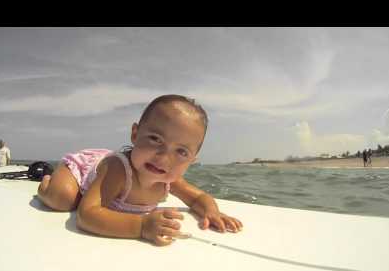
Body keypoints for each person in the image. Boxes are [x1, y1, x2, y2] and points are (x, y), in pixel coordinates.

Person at [37, 94, 243, 246]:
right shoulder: (119, 170)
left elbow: (198, 198)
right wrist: (141, 226)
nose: (163, 158)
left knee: (83, 200)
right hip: (82, 170)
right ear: (135, 134)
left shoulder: (168, 179)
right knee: (62, 199)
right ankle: (47, 180)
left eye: (181, 152)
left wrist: (211, 212)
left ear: (192, 160)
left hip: (102, 182)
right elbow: (87, 216)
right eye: (155, 139)